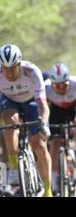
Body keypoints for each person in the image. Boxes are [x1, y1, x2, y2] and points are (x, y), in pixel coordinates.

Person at [0, 44, 52, 197]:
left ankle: (48, 189)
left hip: (32, 102)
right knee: (9, 123)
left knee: (40, 145)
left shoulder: (32, 71)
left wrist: (44, 124)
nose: (9, 73)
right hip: (10, 102)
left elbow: (43, 104)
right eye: (5, 68)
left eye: (13, 68)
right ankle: (14, 169)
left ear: (19, 64)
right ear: (0, 66)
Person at [45, 63, 76, 195]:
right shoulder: (45, 87)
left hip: (73, 107)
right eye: (57, 86)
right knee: (54, 143)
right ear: (52, 84)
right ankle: (54, 180)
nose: (61, 89)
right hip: (56, 111)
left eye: (64, 85)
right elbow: (42, 108)